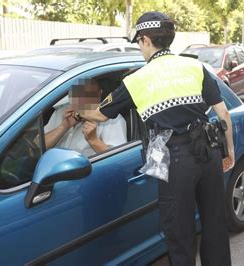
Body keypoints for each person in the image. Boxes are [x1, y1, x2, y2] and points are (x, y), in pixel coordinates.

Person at [82, 11, 234, 265]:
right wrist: (229, 151)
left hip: (175, 162)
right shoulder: (194, 66)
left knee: (180, 232)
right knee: (215, 224)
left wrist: (76, 113)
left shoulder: (136, 80)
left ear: (145, 40)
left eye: (139, 43)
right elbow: (223, 113)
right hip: (208, 153)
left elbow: (100, 115)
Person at [44, 79, 127, 157]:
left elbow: (119, 158)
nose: (81, 99)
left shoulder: (112, 120)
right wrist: (62, 127)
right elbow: (36, 148)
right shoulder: (61, 112)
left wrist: (93, 139)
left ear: (99, 94)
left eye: (87, 93)